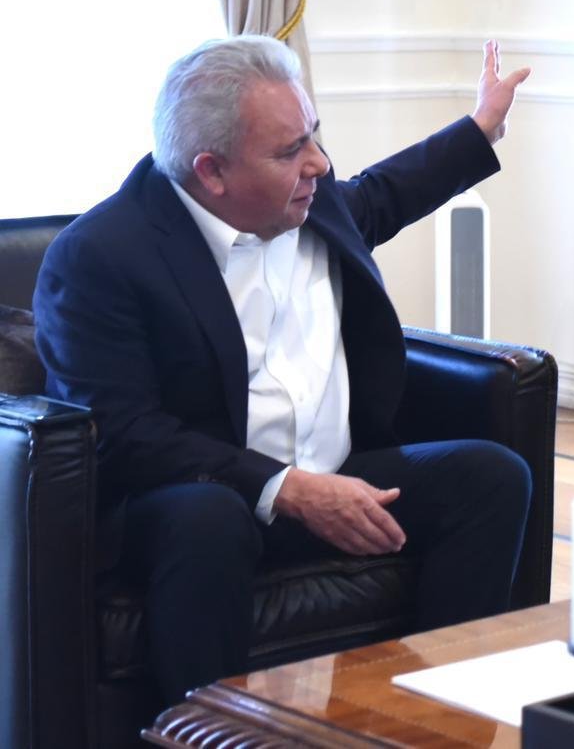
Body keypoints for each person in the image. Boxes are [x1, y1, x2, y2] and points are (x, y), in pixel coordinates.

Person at [33, 35, 534, 703]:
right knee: (209, 519)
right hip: (200, 499)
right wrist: (284, 488)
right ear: (211, 172)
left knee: (490, 478)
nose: (319, 163)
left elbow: (385, 194)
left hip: (335, 473)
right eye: (291, 150)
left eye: (313, 135)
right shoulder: (100, 256)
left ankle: (431, 714)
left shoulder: (312, 201)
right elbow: (124, 434)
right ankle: (211, 735)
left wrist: (480, 127)